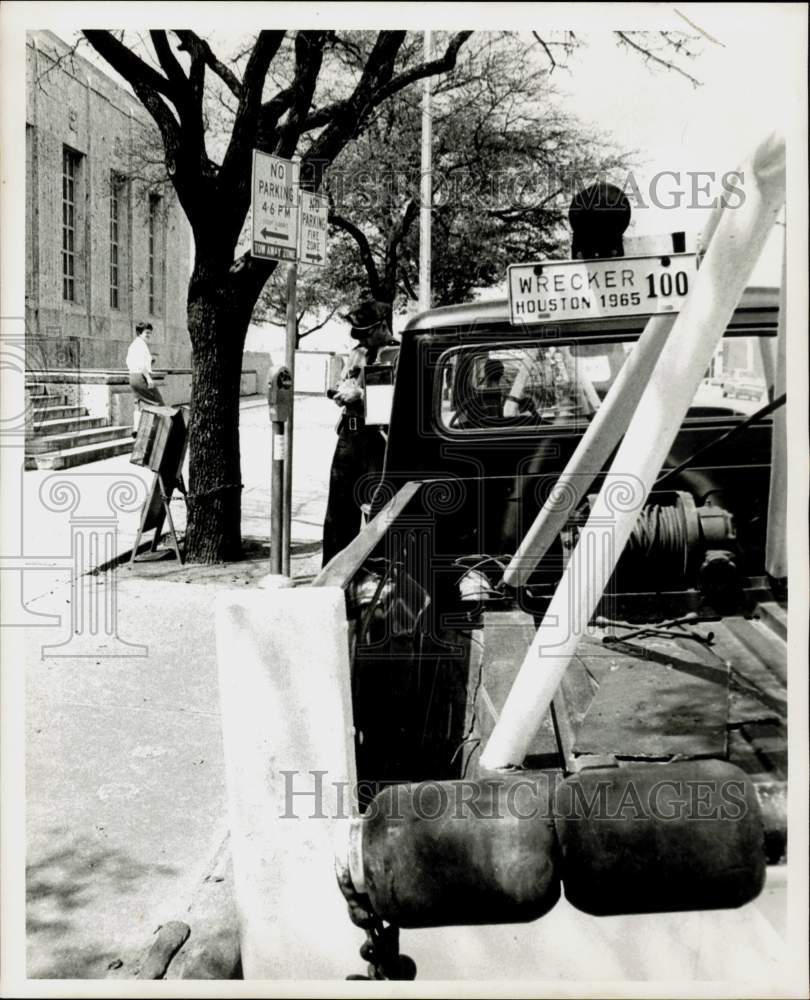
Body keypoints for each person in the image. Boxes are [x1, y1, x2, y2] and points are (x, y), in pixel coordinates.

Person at [322, 297, 399, 567]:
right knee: (338, 512)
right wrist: (343, 390)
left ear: (381, 328)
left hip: (378, 440)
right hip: (350, 436)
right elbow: (347, 378)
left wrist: (361, 394)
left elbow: (397, 402)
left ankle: (374, 573)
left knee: (378, 509)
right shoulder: (357, 352)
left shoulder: (397, 353)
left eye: (366, 334)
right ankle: (333, 574)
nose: (362, 341)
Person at [126, 321, 165, 435]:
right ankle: (159, 431)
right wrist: (148, 378)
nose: (149, 336)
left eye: (150, 333)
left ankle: (136, 429)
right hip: (140, 377)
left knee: (138, 403)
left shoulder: (134, 345)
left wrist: (150, 362)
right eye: (147, 333)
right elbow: (140, 364)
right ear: (139, 333)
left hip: (133, 377)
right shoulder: (140, 345)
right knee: (158, 402)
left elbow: (131, 362)